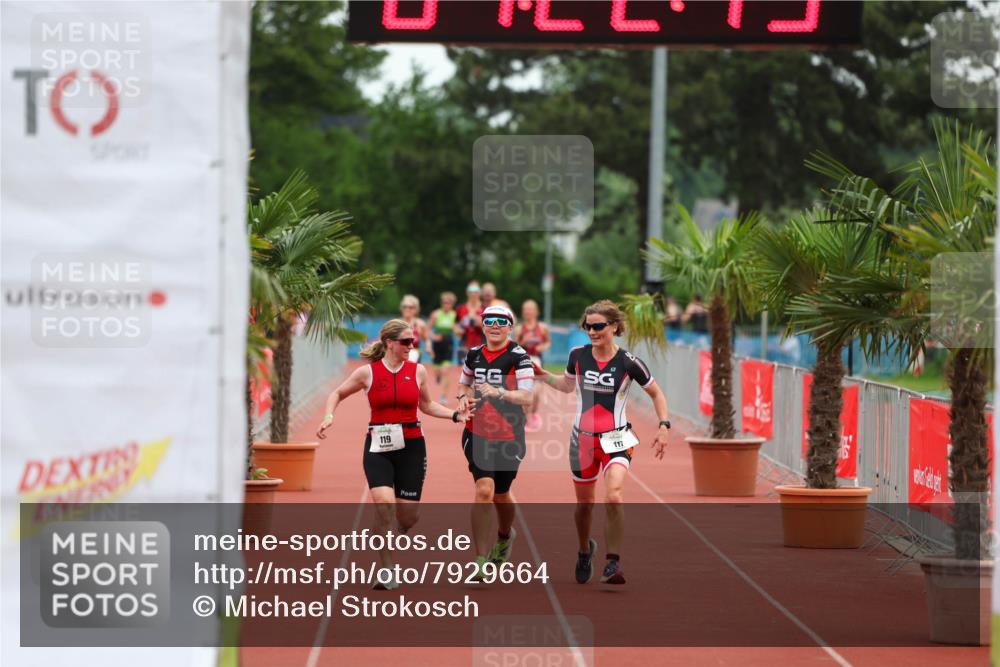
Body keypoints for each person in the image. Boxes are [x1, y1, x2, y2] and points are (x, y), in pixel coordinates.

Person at [316, 319, 472, 589]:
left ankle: (394, 526)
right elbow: (337, 393)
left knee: (408, 516)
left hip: (412, 447)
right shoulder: (368, 373)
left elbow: (427, 405)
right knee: (384, 503)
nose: (411, 346)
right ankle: (387, 569)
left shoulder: (418, 371)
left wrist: (455, 415)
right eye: (406, 342)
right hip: (378, 447)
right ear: (389, 343)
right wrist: (329, 416)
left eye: (413, 342)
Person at [535, 300, 670, 586]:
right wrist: (542, 375)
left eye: (598, 326)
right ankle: (585, 550)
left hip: (616, 438)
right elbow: (566, 385)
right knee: (585, 505)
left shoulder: (629, 362)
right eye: (588, 327)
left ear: (614, 327)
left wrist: (664, 426)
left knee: (614, 495)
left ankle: (612, 562)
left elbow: (657, 394)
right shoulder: (577, 355)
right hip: (582, 440)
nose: (592, 332)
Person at [457, 305, 535, 578]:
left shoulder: (519, 357)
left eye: (501, 321)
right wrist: (462, 398)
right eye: (489, 321)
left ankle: (504, 536)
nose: (494, 325)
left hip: (509, 435)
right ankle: (480, 558)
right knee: (484, 490)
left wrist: (499, 392)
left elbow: (527, 397)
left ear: (510, 327)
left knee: (501, 494)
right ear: (483, 325)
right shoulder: (474, 354)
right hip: (477, 431)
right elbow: (463, 384)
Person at [514, 299, 551, 431]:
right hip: (523, 362)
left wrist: (543, 346)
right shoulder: (519, 329)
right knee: (526, 392)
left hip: (537, 361)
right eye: (526, 310)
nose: (528, 312)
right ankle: (526, 418)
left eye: (530, 309)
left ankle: (533, 413)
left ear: (536, 312)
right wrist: (523, 342)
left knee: (537, 392)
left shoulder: (542, 328)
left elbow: (548, 342)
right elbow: (514, 347)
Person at [428, 291, 458, 404]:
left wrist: (457, 330)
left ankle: (443, 396)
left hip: (448, 345)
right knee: (437, 371)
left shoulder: (454, 315)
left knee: (446, 371)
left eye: (449, 303)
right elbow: (427, 329)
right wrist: (433, 337)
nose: (446, 305)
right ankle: (438, 376)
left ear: (452, 304)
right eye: (444, 302)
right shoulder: (436, 314)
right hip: (437, 345)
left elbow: (458, 330)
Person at [456, 281, 484, 364]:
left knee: (480, 369)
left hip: (481, 345)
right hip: (464, 345)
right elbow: (455, 323)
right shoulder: (460, 308)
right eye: (470, 290)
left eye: (475, 290)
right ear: (467, 292)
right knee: (462, 369)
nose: (473, 293)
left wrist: (481, 324)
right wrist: (457, 330)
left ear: (480, 292)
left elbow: (491, 327)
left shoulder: (485, 308)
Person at [399, 294, 431, 363]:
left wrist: (428, 347)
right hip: (398, 356)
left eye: (410, 307)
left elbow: (426, 339)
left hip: (414, 355)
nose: (407, 309)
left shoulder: (420, 324)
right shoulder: (396, 323)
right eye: (405, 307)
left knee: (412, 355)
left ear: (416, 309)